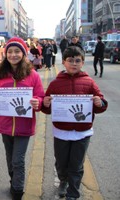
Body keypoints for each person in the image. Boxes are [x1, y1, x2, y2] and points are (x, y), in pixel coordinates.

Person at [41, 46, 108, 200]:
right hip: (61, 132)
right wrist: (45, 103)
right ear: (64, 62)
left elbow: (100, 103)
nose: (74, 63)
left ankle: (73, 194)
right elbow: (47, 108)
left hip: (82, 133)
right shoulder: (55, 84)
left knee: (76, 166)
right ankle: (63, 181)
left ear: (82, 62)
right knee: (62, 163)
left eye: (78, 60)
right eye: (70, 60)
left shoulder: (89, 82)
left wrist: (100, 102)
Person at [0, 37, 45, 200]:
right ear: (5, 54)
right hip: (5, 124)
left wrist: (37, 102)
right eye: (10, 51)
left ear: (23, 53)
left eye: (17, 51)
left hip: (24, 125)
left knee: (18, 160)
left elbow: (40, 96)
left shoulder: (32, 75)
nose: (13, 55)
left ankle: (18, 190)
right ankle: (14, 180)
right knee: (9, 157)